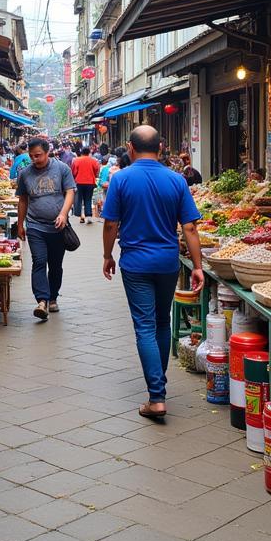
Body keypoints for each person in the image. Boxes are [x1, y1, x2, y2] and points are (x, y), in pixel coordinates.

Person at [102, 125, 204, 421]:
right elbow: (190, 227)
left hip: (135, 264)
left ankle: (157, 397)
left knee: (144, 326)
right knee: (162, 322)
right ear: (161, 148)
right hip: (167, 263)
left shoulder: (121, 180)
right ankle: (158, 388)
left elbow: (110, 224)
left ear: (129, 149)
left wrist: (108, 255)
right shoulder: (176, 180)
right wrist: (197, 266)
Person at [16, 137, 75, 320]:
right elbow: (23, 200)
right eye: (32, 156)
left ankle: (53, 297)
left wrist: (63, 214)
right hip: (35, 226)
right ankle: (42, 300)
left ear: (47, 152)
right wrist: (20, 224)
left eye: (39, 155)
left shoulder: (62, 169)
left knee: (56, 265)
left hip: (58, 227)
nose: (35, 159)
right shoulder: (25, 174)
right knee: (39, 261)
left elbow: (70, 191)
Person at [70, 145, 101, 224]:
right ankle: (88, 216)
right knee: (88, 199)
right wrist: (93, 175)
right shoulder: (94, 160)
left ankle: (79, 216)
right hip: (90, 182)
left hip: (79, 182)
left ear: (81, 152)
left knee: (78, 199)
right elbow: (97, 170)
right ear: (89, 152)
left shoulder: (76, 160)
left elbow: (73, 172)